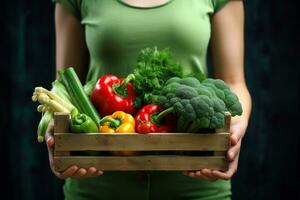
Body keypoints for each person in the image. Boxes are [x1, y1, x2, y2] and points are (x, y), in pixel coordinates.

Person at [45, 0, 252, 199]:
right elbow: (64, 85)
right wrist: (56, 130)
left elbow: (234, 82)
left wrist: (237, 126)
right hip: (96, 181)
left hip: (198, 180)